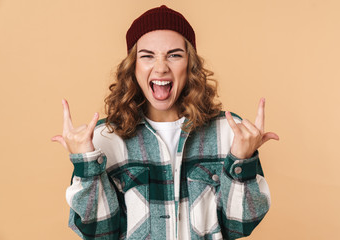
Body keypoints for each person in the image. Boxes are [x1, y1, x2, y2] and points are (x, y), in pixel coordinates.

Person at [52, 5, 279, 240]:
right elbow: (101, 233)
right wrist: (86, 165)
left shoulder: (229, 133)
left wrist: (242, 162)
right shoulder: (103, 139)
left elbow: (239, 226)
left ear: (190, 64)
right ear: (133, 66)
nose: (161, 67)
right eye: (147, 56)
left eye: (174, 55)